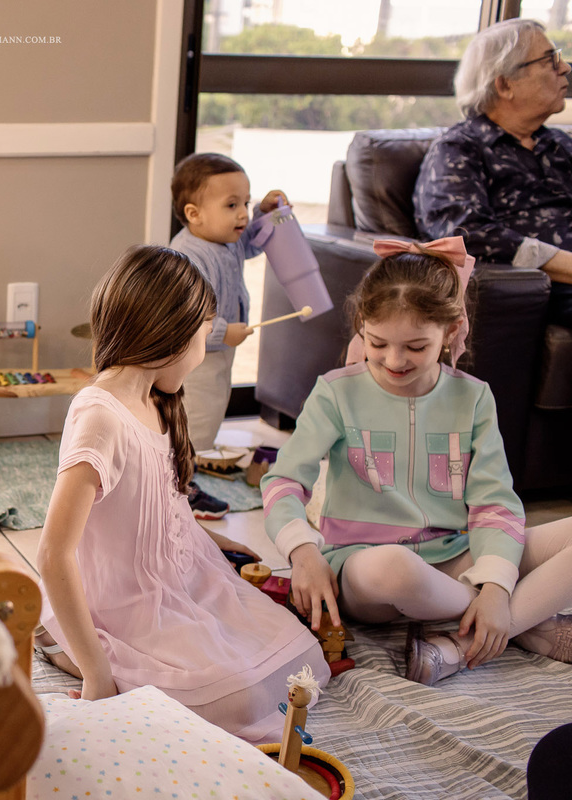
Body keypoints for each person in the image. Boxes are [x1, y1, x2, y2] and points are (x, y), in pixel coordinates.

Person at [36, 244, 328, 743]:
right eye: (203, 336)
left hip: (182, 582)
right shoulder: (101, 416)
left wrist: (211, 542)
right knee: (236, 697)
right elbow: (52, 553)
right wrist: (97, 677)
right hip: (127, 603)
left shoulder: (157, 399)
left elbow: (162, 505)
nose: (203, 352)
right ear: (171, 334)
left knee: (303, 656)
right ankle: (70, 647)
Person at [261, 237, 572, 687]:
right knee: (394, 566)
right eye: (377, 342)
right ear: (361, 325)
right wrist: (303, 551)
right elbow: (283, 481)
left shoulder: (473, 397)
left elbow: (495, 503)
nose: (394, 360)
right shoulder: (336, 392)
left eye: (415, 347)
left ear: (451, 330)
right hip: (365, 568)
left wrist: (497, 585)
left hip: (455, 553)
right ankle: (521, 622)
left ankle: (461, 645)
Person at [414, 18, 572, 327]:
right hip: (541, 292)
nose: (565, 67)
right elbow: (466, 235)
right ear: (504, 84)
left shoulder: (560, 144)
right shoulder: (459, 149)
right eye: (550, 60)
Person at [170, 152, 287, 519]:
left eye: (246, 204)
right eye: (232, 205)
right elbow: (184, 318)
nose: (243, 215)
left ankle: (182, 476)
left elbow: (249, 242)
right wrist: (222, 330)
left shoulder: (225, 238)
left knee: (211, 413)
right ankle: (178, 489)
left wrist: (266, 213)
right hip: (194, 359)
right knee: (195, 419)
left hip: (218, 352)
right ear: (194, 214)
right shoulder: (188, 258)